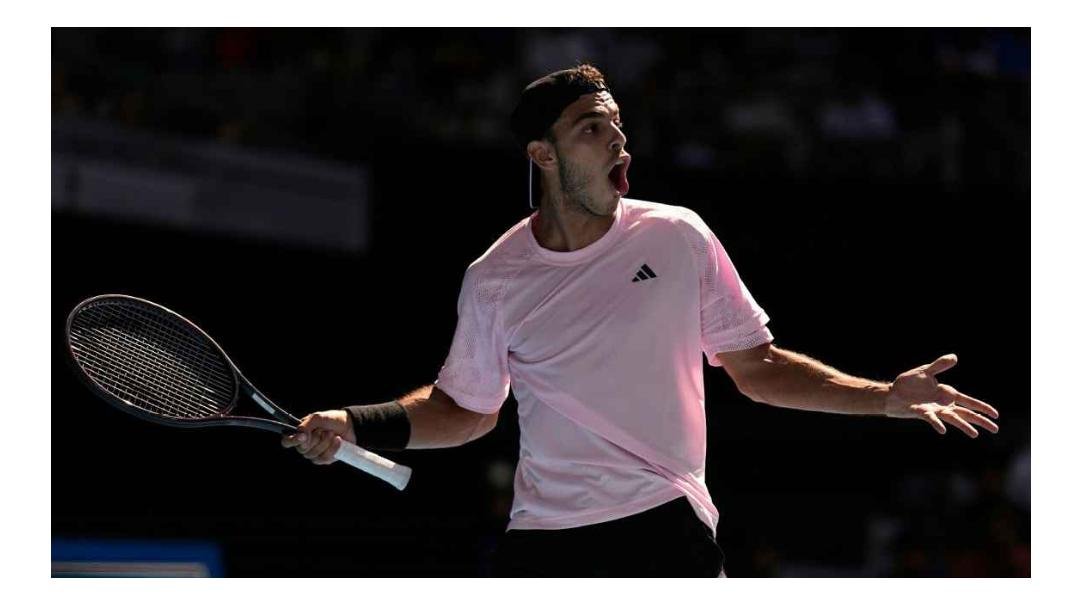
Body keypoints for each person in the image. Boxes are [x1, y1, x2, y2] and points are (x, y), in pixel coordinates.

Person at [281, 64, 1000, 577]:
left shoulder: (677, 236)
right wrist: (358, 422)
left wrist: (881, 397)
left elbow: (759, 369)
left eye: (618, 126)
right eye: (593, 129)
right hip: (542, 542)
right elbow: (464, 411)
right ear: (543, 154)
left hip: (663, 526)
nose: (618, 141)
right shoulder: (495, 278)